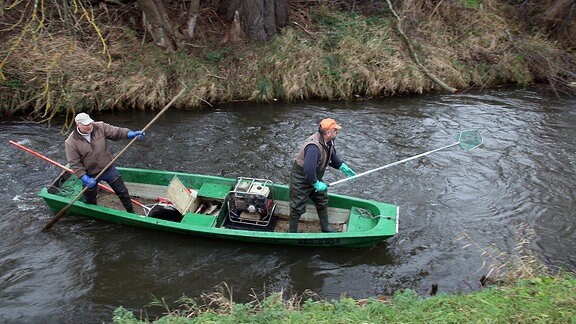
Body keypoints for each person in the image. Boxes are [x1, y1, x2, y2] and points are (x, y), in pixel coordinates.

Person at [65, 112, 145, 213]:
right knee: (90, 199)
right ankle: (94, 212)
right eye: (86, 125)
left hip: (107, 168)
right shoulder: (71, 142)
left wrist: (130, 134)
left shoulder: (100, 127)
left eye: (90, 123)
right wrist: (84, 178)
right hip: (90, 174)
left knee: (123, 192)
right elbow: (74, 164)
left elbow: (117, 132)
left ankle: (131, 212)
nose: (89, 126)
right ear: (78, 125)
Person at [289, 118, 357, 233]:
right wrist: (316, 183)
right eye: (335, 130)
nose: (337, 132)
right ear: (328, 133)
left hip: (315, 177)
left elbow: (332, 157)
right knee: (297, 206)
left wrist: (343, 167)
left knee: (322, 199)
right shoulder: (313, 147)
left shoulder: (329, 141)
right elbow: (308, 170)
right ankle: (292, 232)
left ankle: (325, 227)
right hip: (301, 179)